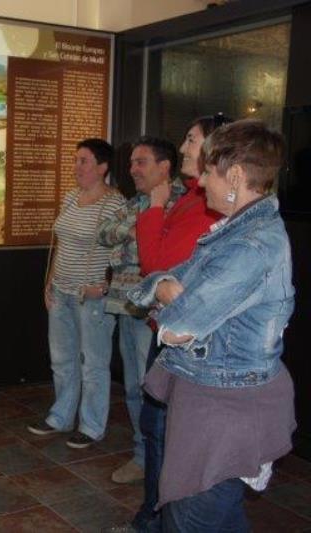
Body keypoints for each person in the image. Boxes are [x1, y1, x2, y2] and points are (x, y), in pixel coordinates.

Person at [129, 118, 295, 531]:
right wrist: (166, 288)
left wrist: (167, 292)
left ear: (235, 176)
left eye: (209, 172)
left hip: (225, 410)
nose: (201, 182)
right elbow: (159, 283)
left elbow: (175, 326)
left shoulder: (250, 245)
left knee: (190, 517)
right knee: (214, 517)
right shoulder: (237, 232)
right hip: (215, 401)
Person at [131, 118, 229, 532]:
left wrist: (155, 209)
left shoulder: (206, 207)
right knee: (157, 427)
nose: (184, 147)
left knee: (163, 431)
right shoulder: (193, 196)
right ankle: (153, 516)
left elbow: (156, 266)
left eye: (191, 140)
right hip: (167, 331)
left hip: (184, 341)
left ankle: (154, 519)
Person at [97, 136, 185, 484]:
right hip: (127, 305)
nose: (132, 169)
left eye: (141, 162)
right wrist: (140, 225)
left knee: (157, 390)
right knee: (134, 387)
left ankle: (163, 461)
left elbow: (159, 252)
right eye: (132, 162)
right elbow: (104, 233)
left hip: (157, 315)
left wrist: (139, 229)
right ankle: (142, 456)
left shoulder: (182, 202)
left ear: (165, 167)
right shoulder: (137, 202)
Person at [28, 139, 125, 449]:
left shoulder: (115, 204)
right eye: (75, 160)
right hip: (61, 292)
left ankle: (92, 426)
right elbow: (61, 244)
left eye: (84, 161)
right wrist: (49, 282)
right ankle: (61, 417)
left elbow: (124, 254)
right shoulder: (71, 198)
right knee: (62, 359)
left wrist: (105, 286)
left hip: (91, 299)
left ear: (103, 167)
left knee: (93, 364)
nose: (76, 167)